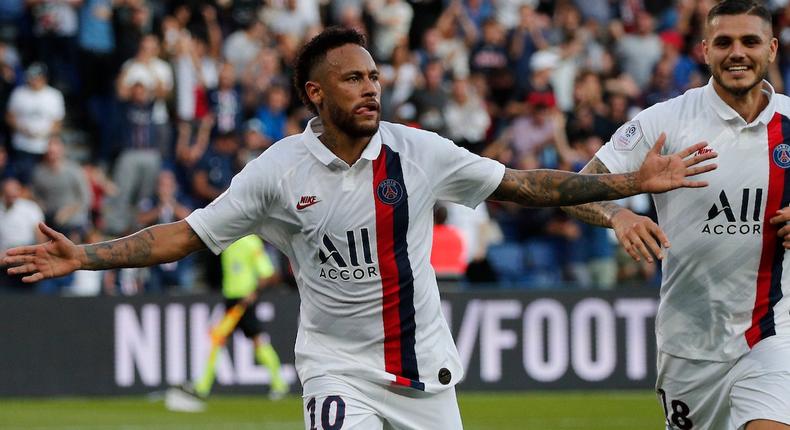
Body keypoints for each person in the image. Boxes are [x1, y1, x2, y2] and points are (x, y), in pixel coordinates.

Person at [2, 27, 715, 429]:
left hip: (428, 381)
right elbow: (186, 234)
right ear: (316, 93)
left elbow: (524, 184)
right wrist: (86, 256)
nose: (371, 87)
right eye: (352, 79)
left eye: (374, 76)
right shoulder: (277, 172)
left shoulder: (420, 151)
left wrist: (627, 184)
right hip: (339, 374)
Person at [562, 2, 790, 429]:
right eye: (724, 42)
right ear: (705, 50)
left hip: (773, 332)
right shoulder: (664, 122)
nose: (736, 52)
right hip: (689, 342)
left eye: (750, 41)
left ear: (772, 49)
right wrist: (619, 217)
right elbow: (575, 190)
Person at [168, 234, 288, 411]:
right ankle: (202, 387)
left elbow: (267, 272)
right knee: (221, 339)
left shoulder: (251, 242)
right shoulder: (226, 241)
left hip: (243, 301)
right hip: (230, 300)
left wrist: (254, 293)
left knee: (252, 341)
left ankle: (279, 385)